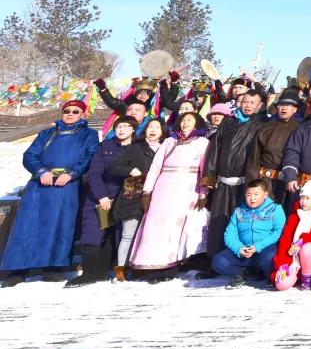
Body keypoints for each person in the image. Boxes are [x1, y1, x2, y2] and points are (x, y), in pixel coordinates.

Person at [1, 100, 100, 287]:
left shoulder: (89, 135)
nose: (70, 114)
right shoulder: (47, 134)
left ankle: (53, 267)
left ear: (83, 114)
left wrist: (72, 174)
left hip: (67, 186)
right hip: (40, 185)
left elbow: (90, 155)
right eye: (67, 111)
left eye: (75, 111)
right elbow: (29, 155)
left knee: (60, 225)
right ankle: (18, 269)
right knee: (27, 225)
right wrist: (41, 172)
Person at [128, 112, 212, 281]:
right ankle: (152, 268)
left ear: (197, 124)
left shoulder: (203, 142)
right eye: (183, 120)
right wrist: (147, 191)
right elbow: (155, 167)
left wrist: (203, 194)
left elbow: (205, 170)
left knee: (175, 230)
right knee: (154, 227)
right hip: (163, 189)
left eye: (190, 120)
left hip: (188, 189)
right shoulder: (169, 141)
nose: (185, 123)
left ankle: (170, 269)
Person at [67, 116, 138, 287]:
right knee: (93, 232)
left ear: (133, 129)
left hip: (125, 198)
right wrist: (102, 196)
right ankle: (90, 272)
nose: (121, 130)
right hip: (102, 196)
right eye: (118, 126)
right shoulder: (105, 146)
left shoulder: (137, 148)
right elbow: (95, 173)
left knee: (119, 235)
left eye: (125, 126)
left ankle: (110, 269)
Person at [204, 91, 268, 258]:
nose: (248, 105)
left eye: (252, 103)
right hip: (223, 183)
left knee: (242, 224)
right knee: (218, 223)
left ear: (259, 105)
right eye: (245, 102)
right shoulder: (228, 122)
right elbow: (214, 149)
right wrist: (210, 175)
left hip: (244, 184)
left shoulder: (262, 124)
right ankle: (214, 259)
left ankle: (240, 260)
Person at [107, 117, 164, 281]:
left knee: (151, 235)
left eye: (157, 128)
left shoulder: (167, 148)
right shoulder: (135, 147)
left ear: (163, 132)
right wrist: (130, 170)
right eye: (150, 127)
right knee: (128, 234)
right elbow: (114, 167)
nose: (153, 130)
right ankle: (121, 270)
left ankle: (144, 268)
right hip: (134, 196)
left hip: (158, 196)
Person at [211, 179, 285, 289]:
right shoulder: (239, 211)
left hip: (264, 250)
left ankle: (267, 275)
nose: (252, 198)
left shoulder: (275, 209)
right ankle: (246, 273)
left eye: (256, 194)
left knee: (270, 259)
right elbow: (230, 234)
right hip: (245, 251)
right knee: (218, 261)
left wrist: (258, 246)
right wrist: (239, 248)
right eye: (249, 195)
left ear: (265, 195)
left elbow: (278, 232)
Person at [272, 179, 311, 291]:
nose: (303, 202)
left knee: (307, 248)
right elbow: (285, 240)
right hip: (293, 260)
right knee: (281, 285)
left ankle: (307, 278)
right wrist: (282, 264)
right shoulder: (295, 215)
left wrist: (303, 239)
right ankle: (296, 275)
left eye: (307, 198)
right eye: (302, 198)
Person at [246, 89, 303, 201]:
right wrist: (253, 183)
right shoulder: (266, 127)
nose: (284, 108)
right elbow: (254, 158)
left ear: (295, 109)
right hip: (266, 181)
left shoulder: (301, 129)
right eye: (281, 105)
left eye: (288, 105)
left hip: (290, 184)